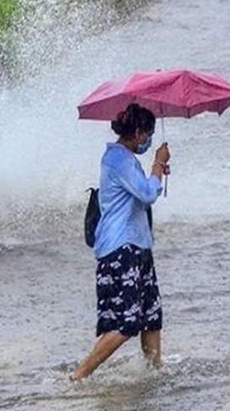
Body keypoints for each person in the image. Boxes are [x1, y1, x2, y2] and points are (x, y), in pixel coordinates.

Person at [71, 103, 171, 381]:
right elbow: (147, 193)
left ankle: (153, 372)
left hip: (138, 246)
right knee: (126, 322)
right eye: (148, 134)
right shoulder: (118, 160)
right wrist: (159, 164)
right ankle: (80, 375)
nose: (149, 141)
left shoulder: (127, 159)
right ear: (138, 133)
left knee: (151, 315)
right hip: (119, 249)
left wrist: (155, 169)